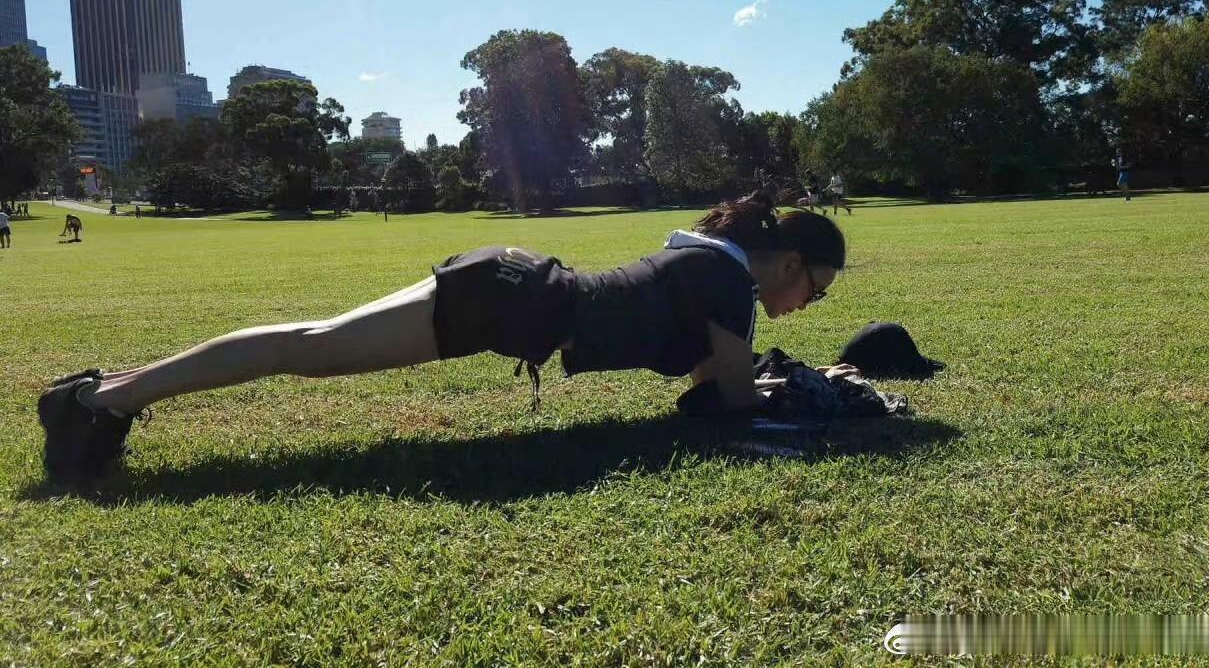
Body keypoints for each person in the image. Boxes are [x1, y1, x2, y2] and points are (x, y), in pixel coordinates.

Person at [36, 191, 845, 481]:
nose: (809, 304)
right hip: (504, 301)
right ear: (795, 262)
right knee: (308, 349)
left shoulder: (710, 262)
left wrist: (750, 384)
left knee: (310, 345)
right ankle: (101, 400)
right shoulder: (729, 281)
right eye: (818, 287)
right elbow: (731, 402)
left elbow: (708, 389)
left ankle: (102, 393)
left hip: (510, 282)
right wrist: (808, 397)